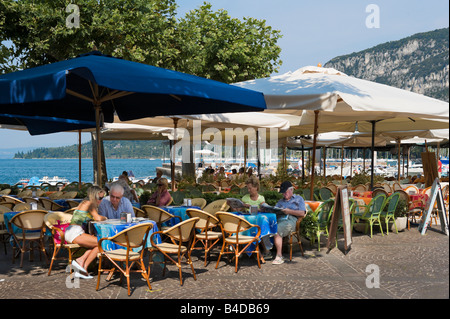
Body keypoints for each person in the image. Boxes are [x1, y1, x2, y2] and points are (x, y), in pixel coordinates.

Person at [64, 186, 107, 279]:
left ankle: (81, 260)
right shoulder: (90, 203)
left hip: (71, 231)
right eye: (99, 198)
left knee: (97, 244)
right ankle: (84, 266)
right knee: (102, 243)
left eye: (102, 198)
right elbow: (98, 218)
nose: (101, 200)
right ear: (93, 196)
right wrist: (106, 218)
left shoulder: (85, 202)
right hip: (75, 232)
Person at [272, 181, 306, 265]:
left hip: (292, 220)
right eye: (282, 193)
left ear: (291, 190)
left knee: (277, 229)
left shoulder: (298, 199)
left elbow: (302, 213)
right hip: (280, 219)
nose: (284, 194)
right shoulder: (280, 202)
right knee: (266, 226)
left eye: (285, 192)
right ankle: (266, 251)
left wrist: (289, 211)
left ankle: (279, 256)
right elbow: (274, 210)